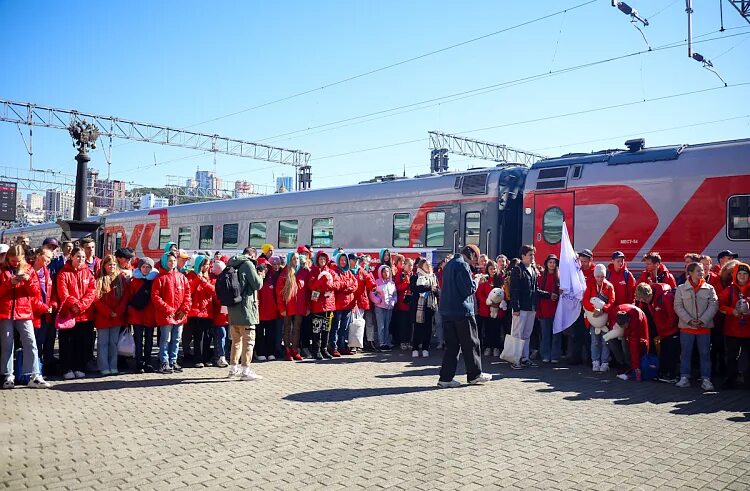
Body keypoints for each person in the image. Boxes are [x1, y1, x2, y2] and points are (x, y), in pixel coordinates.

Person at [437, 244, 491, 387]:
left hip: (447, 311)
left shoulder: (449, 265)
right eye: (475, 258)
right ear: (471, 254)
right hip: (462, 311)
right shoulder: (463, 265)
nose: (475, 262)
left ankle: (445, 378)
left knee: (452, 346)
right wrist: (477, 280)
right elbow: (468, 289)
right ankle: (475, 375)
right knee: (471, 344)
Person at [0, 245, 49, 388]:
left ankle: (35, 375)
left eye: (18, 260)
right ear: (8, 257)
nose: (15, 263)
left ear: (22, 258)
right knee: (7, 344)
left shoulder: (29, 269)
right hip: (6, 311)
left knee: (30, 342)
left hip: (24, 310)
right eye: (13, 260)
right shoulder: (2, 270)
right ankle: (7, 376)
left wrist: (27, 280)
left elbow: (35, 292)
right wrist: (10, 283)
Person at [673, 262, 718, 390]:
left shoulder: (709, 288)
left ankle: (706, 379)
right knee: (686, 353)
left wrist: (703, 320)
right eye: (698, 270)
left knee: (705, 354)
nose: (701, 272)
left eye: (702, 270)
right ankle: (684, 377)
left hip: (704, 328)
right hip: (687, 327)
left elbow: (714, 305)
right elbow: (677, 306)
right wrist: (689, 320)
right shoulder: (681, 288)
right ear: (690, 273)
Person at [56, 246, 97, 380]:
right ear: (71, 257)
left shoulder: (88, 273)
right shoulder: (63, 273)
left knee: (82, 343)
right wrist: (74, 305)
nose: (81, 259)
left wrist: (81, 305)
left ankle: (79, 366)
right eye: (78, 256)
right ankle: (66, 368)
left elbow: (92, 292)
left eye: (83, 257)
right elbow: (63, 293)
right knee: (67, 343)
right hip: (69, 315)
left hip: (85, 315)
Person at [226, 247, 264, 380]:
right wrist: (261, 276)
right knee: (249, 341)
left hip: (233, 309)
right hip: (246, 309)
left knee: (236, 341)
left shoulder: (232, 263)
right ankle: (246, 371)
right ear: (252, 255)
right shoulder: (248, 264)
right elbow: (257, 285)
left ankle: (232, 369)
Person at [151, 251, 192, 374]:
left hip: (179, 314)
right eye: (169, 260)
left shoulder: (181, 277)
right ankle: (164, 362)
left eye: (174, 260)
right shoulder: (160, 278)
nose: (172, 263)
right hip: (166, 315)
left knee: (176, 339)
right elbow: (155, 296)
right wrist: (168, 309)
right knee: (166, 339)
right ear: (165, 262)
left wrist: (184, 308)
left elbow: (187, 294)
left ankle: (173, 361)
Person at [635, 282, 679, 383]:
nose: (644, 302)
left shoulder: (665, 297)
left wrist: (665, 328)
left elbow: (673, 316)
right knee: (664, 353)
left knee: (671, 354)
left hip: (671, 331)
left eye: (644, 299)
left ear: (649, 295)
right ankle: (666, 373)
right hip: (663, 332)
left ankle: (671, 375)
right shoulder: (651, 301)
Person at [93, 255, 128, 375]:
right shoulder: (99, 279)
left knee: (114, 342)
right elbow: (96, 299)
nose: (111, 267)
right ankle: (103, 366)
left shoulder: (121, 279)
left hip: (117, 317)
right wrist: (108, 312)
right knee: (103, 343)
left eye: (113, 264)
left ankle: (113, 365)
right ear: (104, 266)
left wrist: (117, 311)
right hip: (103, 317)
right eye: (109, 264)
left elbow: (125, 297)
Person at [718, 262, 750, 389]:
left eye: (745, 274)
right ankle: (731, 379)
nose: (742, 276)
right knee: (731, 357)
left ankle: (747, 381)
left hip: (748, 331)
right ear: (735, 275)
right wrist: (733, 311)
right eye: (740, 274)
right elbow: (720, 306)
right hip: (732, 330)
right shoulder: (729, 290)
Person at [509, 245, 541, 370]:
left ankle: (525, 358)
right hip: (521, 307)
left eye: (533, 254)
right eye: (530, 255)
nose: (532, 257)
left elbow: (534, 290)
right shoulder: (518, 269)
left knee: (527, 334)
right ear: (523, 256)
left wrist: (548, 295)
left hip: (531, 306)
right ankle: (515, 360)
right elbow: (514, 290)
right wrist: (515, 308)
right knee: (518, 334)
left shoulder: (532, 269)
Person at [583, 264, 616, 372]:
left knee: (605, 341)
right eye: (598, 276)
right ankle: (595, 362)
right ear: (594, 276)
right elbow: (586, 300)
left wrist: (603, 310)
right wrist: (594, 309)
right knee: (595, 341)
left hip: (606, 320)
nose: (600, 279)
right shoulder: (590, 284)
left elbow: (612, 302)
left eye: (602, 276)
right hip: (593, 319)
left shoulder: (609, 286)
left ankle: (605, 362)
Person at [30, 247, 56, 376]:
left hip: (46, 315)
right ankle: (35, 371)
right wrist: (45, 308)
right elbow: (29, 297)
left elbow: (51, 293)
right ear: (39, 255)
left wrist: (52, 304)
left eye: (51, 258)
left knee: (46, 342)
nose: (49, 260)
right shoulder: (29, 271)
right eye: (47, 257)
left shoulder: (47, 272)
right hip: (34, 315)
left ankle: (42, 370)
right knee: (35, 344)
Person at [186, 255, 215, 368]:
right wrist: (198, 279)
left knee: (207, 336)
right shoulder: (191, 276)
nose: (206, 267)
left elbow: (214, 291)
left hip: (208, 310)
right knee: (198, 337)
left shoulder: (210, 277)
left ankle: (206, 357)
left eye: (207, 265)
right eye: (204, 265)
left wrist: (204, 282)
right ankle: (198, 358)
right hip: (196, 311)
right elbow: (189, 290)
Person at [129, 257, 158, 373]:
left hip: (149, 313)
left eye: (148, 267)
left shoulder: (155, 280)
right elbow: (130, 296)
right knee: (138, 340)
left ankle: (148, 362)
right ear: (139, 268)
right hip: (137, 314)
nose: (145, 269)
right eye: (143, 267)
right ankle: (139, 363)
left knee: (149, 340)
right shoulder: (134, 281)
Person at [308, 251, 337, 360]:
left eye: (324, 259)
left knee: (326, 329)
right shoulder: (313, 272)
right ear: (317, 260)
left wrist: (328, 285)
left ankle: (324, 349)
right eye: (321, 259)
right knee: (316, 329)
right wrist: (321, 280)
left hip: (329, 305)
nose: (323, 261)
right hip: (317, 305)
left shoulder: (331, 272)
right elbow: (311, 286)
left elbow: (337, 284)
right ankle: (316, 350)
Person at [277, 252, 306, 361]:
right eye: (294, 259)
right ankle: (287, 350)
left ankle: (295, 349)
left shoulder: (303, 272)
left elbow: (306, 291)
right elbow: (279, 293)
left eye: (297, 258)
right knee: (287, 329)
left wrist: (307, 306)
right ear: (290, 260)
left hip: (299, 306)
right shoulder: (285, 273)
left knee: (297, 329)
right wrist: (282, 308)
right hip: (288, 306)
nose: (296, 261)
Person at [609, 305, 649, 381]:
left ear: (628, 321)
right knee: (611, 341)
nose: (624, 328)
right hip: (620, 320)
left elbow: (634, 345)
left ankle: (631, 366)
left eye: (625, 326)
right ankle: (622, 364)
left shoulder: (635, 320)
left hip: (637, 320)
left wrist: (636, 366)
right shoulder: (614, 315)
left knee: (626, 344)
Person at [330, 251, 357, 356]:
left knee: (344, 327)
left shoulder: (348, 272)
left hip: (348, 304)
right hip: (338, 304)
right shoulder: (334, 272)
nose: (343, 262)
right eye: (341, 260)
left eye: (345, 260)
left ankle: (342, 347)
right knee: (335, 326)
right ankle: (334, 347)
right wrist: (348, 285)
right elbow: (337, 286)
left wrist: (347, 287)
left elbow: (355, 284)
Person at [476, 260, 505, 357]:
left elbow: (503, 293)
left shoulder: (500, 280)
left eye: (494, 268)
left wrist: (499, 302)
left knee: (497, 328)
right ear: (487, 270)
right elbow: (479, 293)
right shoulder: (484, 280)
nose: (493, 270)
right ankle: (488, 346)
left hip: (498, 309)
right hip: (486, 309)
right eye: (491, 269)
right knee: (488, 328)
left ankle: (496, 347)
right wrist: (487, 301)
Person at [410, 258, 438, 358]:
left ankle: (425, 348)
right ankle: (415, 348)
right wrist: (429, 288)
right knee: (418, 327)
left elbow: (437, 290)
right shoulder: (415, 276)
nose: (429, 267)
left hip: (429, 305)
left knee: (428, 328)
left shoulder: (433, 277)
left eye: (430, 265)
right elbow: (414, 288)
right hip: (418, 306)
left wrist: (435, 291)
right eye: (426, 265)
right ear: (421, 266)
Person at [536, 254, 560, 363]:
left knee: (556, 334)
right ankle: (545, 354)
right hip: (544, 308)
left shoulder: (560, 277)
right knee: (545, 333)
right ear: (546, 264)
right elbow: (538, 292)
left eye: (554, 262)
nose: (552, 264)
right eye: (550, 262)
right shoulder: (541, 277)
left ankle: (555, 356)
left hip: (557, 309)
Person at [256, 256, 280, 361]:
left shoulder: (272, 278)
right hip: (259, 312)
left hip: (271, 311)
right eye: (263, 266)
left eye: (266, 266)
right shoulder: (256, 279)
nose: (265, 269)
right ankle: (260, 352)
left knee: (271, 333)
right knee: (259, 333)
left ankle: (271, 352)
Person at [370, 264, 397, 352]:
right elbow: (372, 294)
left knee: (387, 325)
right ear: (380, 273)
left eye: (387, 271)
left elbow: (395, 295)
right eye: (384, 271)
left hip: (389, 307)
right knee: (380, 325)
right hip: (380, 307)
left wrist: (393, 301)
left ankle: (386, 342)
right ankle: (381, 343)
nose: (386, 273)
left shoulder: (392, 283)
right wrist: (377, 300)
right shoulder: (377, 282)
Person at [210, 260, 230, 368]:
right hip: (219, 314)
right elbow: (216, 297)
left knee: (224, 336)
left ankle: (223, 355)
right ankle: (220, 356)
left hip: (224, 313)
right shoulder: (214, 280)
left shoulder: (220, 279)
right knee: (221, 335)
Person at [393, 258, 414, 351]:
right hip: (402, 303)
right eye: (409, 265)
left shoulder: (412, 274)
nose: (411, 267)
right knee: (403, 324)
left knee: (410, 324)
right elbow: (396, 287)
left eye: (412, 265)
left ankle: (408, 341)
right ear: (404, 265)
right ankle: (402, 341)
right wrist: (407, 284)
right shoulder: (400, 274)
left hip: (410, 303)